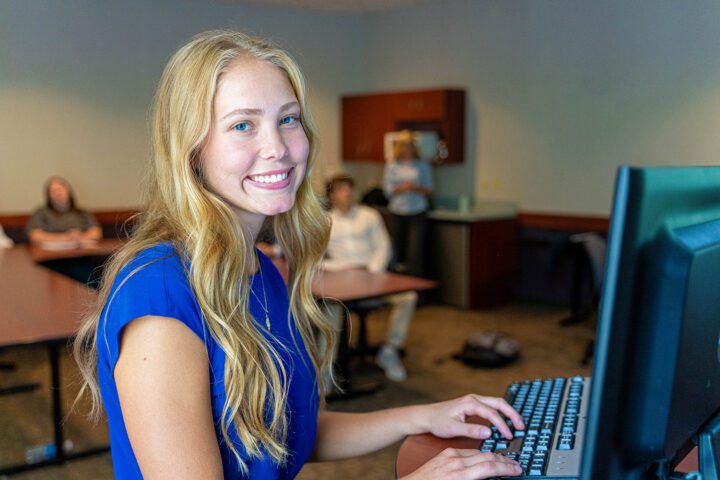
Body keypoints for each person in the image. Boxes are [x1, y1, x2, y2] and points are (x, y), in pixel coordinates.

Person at [72, 30, 524, 479]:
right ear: (191, 151)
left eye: (288, 119)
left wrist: (421, 417)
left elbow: (284, 439)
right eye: (243, 125)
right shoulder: (161, 298)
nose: (279, 148)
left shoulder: (260, 270)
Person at [324, 173, 416, 382]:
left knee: (408, 297)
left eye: (349, 188)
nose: (346, 193)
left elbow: (384, 247)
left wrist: (372, 272)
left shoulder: (370, 215)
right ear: (331, 196)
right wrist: (342, 268)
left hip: (372, 276)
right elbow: (314, 257)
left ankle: (390, 350)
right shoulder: (324, 221)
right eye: (340, 189)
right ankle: (325, 372)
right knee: (330, 307)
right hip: (341, 280)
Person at [383, 130, 433, 277]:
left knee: (415, 252)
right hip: (397, 211)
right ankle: (398, 288)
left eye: (410, 145)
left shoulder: (422, 165)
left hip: (417, 211)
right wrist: (401, 188)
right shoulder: (392, 165)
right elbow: (387, 191)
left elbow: (430, 189)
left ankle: (417, 291)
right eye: (404, 145)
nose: (407, 148)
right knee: (398, 251)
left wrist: (415, 188)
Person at [26, 176, 102, 247]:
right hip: (52, 256)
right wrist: (65, 237)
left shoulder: (82, 212)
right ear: (48, 195)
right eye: (53, 191)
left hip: (81, 253)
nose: (58, 193)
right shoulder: (41, 213)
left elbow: (96, 233)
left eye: (60, 189)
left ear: (68, 191)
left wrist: (79, 237)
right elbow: (35, 236)